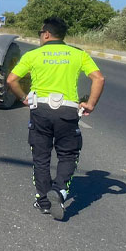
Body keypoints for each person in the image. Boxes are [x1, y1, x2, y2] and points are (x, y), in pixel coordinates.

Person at [6, 16, 105, 220]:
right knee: (68, 154)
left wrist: (24, 98)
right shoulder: (78, 54)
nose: (40, 36)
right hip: (67, 112)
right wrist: (90, 104)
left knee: (41, 157)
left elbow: (11, 80)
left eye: (41, 33)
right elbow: (98, 78)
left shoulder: (34, 55)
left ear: (47, 34)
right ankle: (59, 191)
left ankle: (43, 201)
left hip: (40, 110)